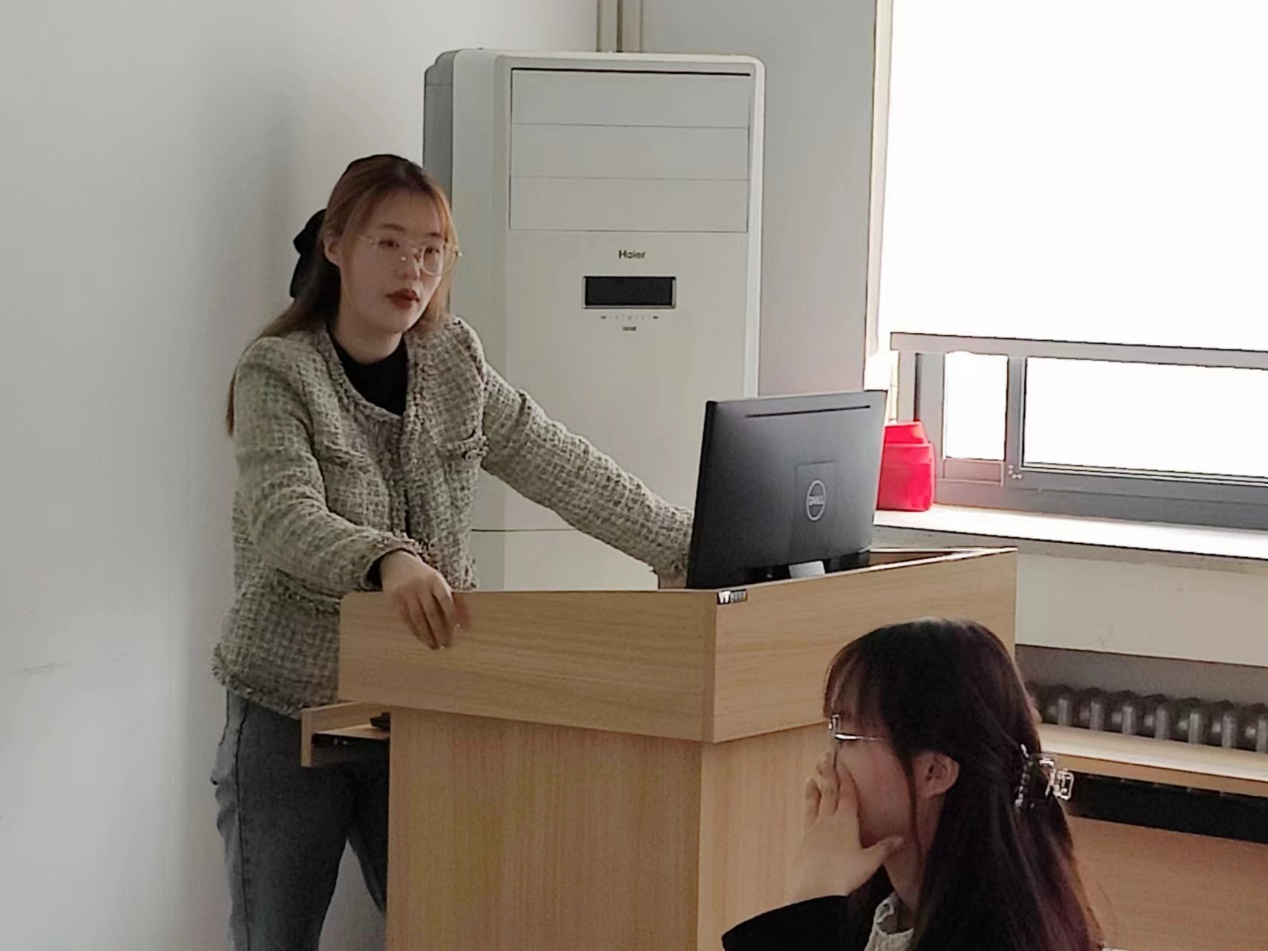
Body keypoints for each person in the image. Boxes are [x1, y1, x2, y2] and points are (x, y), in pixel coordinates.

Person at [210, 154, 690, 951]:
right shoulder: (279, 371)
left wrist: (685, 544)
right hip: (289, 712)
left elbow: (558, 462)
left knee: (450, 927)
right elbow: (283, 517)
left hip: (421, 707)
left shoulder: (451, 359)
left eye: (432, 250)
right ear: (336, 244)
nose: (414, 269)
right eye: (390, 244)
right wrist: (387, 559)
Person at [722, 618, 1103, 951]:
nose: (826, 762)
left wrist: (811, 904)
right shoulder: (879, 910)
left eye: (847, 738)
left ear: (934, 772)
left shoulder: (996, 937)